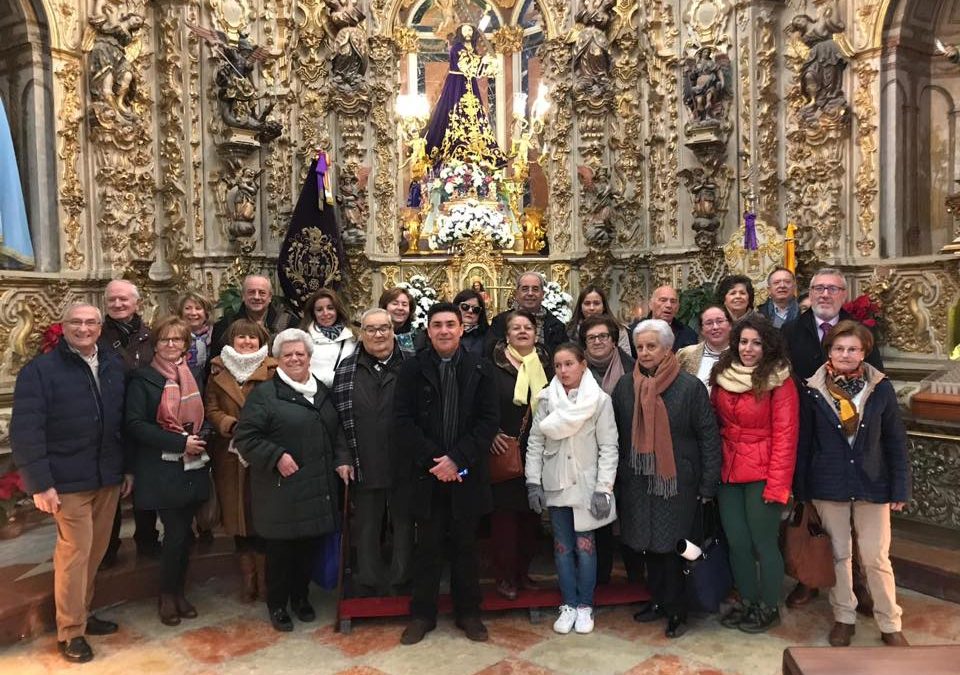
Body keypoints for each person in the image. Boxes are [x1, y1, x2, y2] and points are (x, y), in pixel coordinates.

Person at [10, 303, 130, 663]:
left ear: (100, 327)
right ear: (63, 327)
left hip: (106, 475)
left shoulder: (112, 364)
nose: (83, 328)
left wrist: (126, 469)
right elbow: (26, 430)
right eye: (76, 322)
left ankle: (82, 612)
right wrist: (39, 483)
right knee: (75, 553)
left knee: (95, 553)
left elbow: (121, 422)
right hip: (66, 480)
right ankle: (71, 630)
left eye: (91, 322)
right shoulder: (41, 371)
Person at [794, 321, 911, 647]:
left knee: (876, 557)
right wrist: (801, 488)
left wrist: (900, 487)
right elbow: (805, 442)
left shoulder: (880, 388)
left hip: (873, 483)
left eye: (853, 349)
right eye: (839, 348)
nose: (845, 354)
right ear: (829, 351)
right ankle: (844, 617)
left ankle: (890, 622)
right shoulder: (813, 389)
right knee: (839, 554)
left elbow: (895, 440)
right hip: (828, 483)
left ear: (864, 353)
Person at [394, 302, 499, 645]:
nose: (444, 330)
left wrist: (456, 460)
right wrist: (436, 461)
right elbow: (402, 421)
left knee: (466, 547)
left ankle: (468, 613)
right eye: (437, 325)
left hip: (466, 474)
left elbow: (488, 422)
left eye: (450, 324)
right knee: (427, 547)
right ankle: (422, 615)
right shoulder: (411, 369)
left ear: (461, 328)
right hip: (427, 474)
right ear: (428, 331)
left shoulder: (481, 368)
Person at [781, 268, 883, 610]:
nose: (825, 294)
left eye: (833, 289)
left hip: (851, 435)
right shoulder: (790, 331)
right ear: (809, 293)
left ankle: (858, 584)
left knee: (851, 517)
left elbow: (876, 379)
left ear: (843, 294)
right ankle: (808, 578)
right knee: (810, 510)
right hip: (806, 432)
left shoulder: (861, 330)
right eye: (819, 288)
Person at [612, 319, 721, 638]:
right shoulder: (625, 386)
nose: (645, 352)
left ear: (668, 348)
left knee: (673, 547)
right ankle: (658, 600)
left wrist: (708, 484)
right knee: (647, 546)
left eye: (652, 346)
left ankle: (677, 610)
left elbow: (709, 437)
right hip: (637, 480)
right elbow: (617, 435)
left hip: (677, 482)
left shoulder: (689, 387)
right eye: (640, 347)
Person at [234, 328, 344, 632]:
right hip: (281, 489)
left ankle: (301, 598)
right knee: (281, 553)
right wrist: (276, 456)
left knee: (307, 547)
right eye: (288, 355)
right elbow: (246, 437)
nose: (295, 359)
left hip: (316, 486)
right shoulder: (265, 395)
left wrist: (342, 460)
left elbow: (335, 431)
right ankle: (278, 604)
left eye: (300, 354)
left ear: (309, 357)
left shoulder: (321, 391)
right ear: (277, 360)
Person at [710, 314, 798, 633]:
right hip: (728, 470)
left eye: (756, 343)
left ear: (768, 346)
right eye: (744, 342)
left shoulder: (780, 380)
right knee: (737, 541)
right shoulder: (723, 374)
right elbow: (714, 421)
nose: (748, 349)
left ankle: (768, 606)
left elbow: (786, 437)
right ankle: (747, 600)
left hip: (763, 472)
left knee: (763, 543)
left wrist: (778, 486)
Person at [526, 343, 619, 636]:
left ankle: (584, 604)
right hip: (557, 484)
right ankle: (568, 603)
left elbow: (609, 447)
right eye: (558, 365)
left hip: (587, 487)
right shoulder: (546, 399)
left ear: (583, 365)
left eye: (569, 364)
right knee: (562, 548)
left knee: (586, 547)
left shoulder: (599, 401)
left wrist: (604, 488)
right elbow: (535, 442)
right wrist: (533, 482)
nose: (563, 370)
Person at [124, 316, 210, 627]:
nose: (172, 345)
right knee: (175, 533)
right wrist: (179, 441)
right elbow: (135, 424)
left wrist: (200, 437)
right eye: (165, 339)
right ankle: (167, 595)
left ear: (186, 345)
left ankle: (179, 591)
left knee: (184, 535)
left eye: (178, 340)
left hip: (191, 465)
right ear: (155, 344)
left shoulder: (192, 375)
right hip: (161, 466)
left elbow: (203, 414)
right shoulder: (143, 379)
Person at [332, 309, 412, 597]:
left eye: (384, 328)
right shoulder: (346, 369)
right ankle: (368, 580)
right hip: (363, 457)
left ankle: (402, 579)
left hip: (405, 460)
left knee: (404, 523)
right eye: (371, 329)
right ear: (361, 334)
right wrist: (343, 457)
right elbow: (338, 420)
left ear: (393, 331)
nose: (378, 335)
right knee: (366, 524)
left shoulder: (412, 364)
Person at [204, 319, 277, 602]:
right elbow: (210, 406)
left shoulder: (273, 369)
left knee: (261, 516)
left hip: (261, 450)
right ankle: (249, 580)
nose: (247, 342)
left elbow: (279, 405)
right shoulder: (217, 370)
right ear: (231, 341)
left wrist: (255, 429)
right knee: (238, 518)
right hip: (230, 453)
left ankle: (266, 580)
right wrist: (229, 423)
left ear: (261, 341)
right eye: (241, 338)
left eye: (252, 338)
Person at [489, 310, 551, 600]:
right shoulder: (493, 365)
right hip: (504, 447)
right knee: (505, 518)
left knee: (530, 516)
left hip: (539, 449)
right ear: (507, 335)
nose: (523, 331)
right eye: (516, 328)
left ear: (536, 334)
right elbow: (481, 404)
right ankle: (505, 576)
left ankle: (523, 572)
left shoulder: (547, 365)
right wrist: (491, 433)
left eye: (528, 327)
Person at [579, 314, 643, 585]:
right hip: (589, 455)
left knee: (631, 513)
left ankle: (636, 574)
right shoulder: (575, 371)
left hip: (628, 453)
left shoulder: (633, 369)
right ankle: (601, 575)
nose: (597, 341)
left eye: (603, 336)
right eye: (591, 337)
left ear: (614, 341)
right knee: (599, 516)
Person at [98, 280, 158, 566]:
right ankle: (107, 546)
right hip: (109, 420)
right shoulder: (96, 335)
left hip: (144, 418)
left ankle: (147, 539)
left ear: (137, 302)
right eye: (112, 299)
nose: (118, 304)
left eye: (123, 299)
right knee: (110, 486)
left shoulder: (151, 335)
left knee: (145, 481)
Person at [211, 275, 299, 357]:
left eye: (262, 293)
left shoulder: (288, 322)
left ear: (270, 297)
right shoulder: (225, 325)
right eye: (251, 292)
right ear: (243, 296)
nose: (256, 297)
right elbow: (215, 361)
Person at [488, 272, 567, 356]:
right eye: (525, 289)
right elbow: (489, 354)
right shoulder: (500, 322)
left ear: (542, 294)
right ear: (516, 294)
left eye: (535, 289)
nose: (530, 293)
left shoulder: (556, 326)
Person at [299, 288, 357, 387]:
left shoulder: (354, 336)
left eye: (330, 308)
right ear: (313, 313)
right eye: (319, 310)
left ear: (337, 310)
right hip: (313, 392)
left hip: (345, 391)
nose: (325, 313)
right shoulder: (302, 337)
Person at [629, 285, 697, 358]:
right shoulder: (633, 331)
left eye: (673, 301)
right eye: (663, 300)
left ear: (678, 307)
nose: (669, 305)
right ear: (651, 304)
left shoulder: (688, 335)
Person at [676, 305, 731, 391]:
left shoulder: (741, 354)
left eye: (720, 321)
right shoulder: (686, 354)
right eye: (709, 323)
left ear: (730, 325)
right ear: (702, 330)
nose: (715, 327)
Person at [567, 285, 631, 354]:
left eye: (596, 303)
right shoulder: (571, 330)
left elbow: (625, 357)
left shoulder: (619, 329)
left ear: (604, 307)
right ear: (580, 307)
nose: (592, 308)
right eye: (587, 303)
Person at [178, 292, 214, 372]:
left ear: (206, 313)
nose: (193, 313)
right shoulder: (173, 335)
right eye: (188, 308)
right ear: (181, 312)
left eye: (198, 308)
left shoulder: (215, 333)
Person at [379, 287, 420, 355]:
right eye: (395, 304)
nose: (400, 308)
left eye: (404, 304)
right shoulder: (376, 335)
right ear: (384, 307)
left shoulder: (420, 338)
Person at [453, 288, 489, 356]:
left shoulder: (488, 336)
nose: (470, 311)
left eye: (476, 309)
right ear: (456, 307)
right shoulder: (446, 331)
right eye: (465, 307)